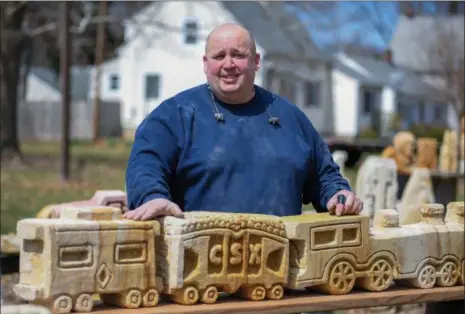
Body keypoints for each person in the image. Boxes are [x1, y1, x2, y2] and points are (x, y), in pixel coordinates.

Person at [123, 23, 363, 221]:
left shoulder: (291, 118)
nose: (228, 64)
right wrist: (152, 197)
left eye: (238, 55)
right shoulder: (173, 116)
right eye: (219, 56)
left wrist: (338, 194)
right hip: (198, 261)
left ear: (256, 61)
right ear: (206, 64)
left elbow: (325, 176)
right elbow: (145, 167)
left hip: (281, 263)